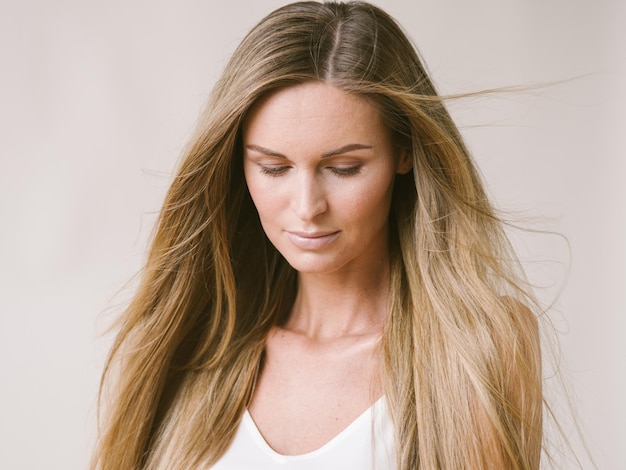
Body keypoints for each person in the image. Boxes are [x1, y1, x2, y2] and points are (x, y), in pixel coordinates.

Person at [92, 2, 545, 469]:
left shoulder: (474, 345)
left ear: (404, 152)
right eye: (274, 167)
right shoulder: (190, 342)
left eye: (343, 168)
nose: (307, 207)